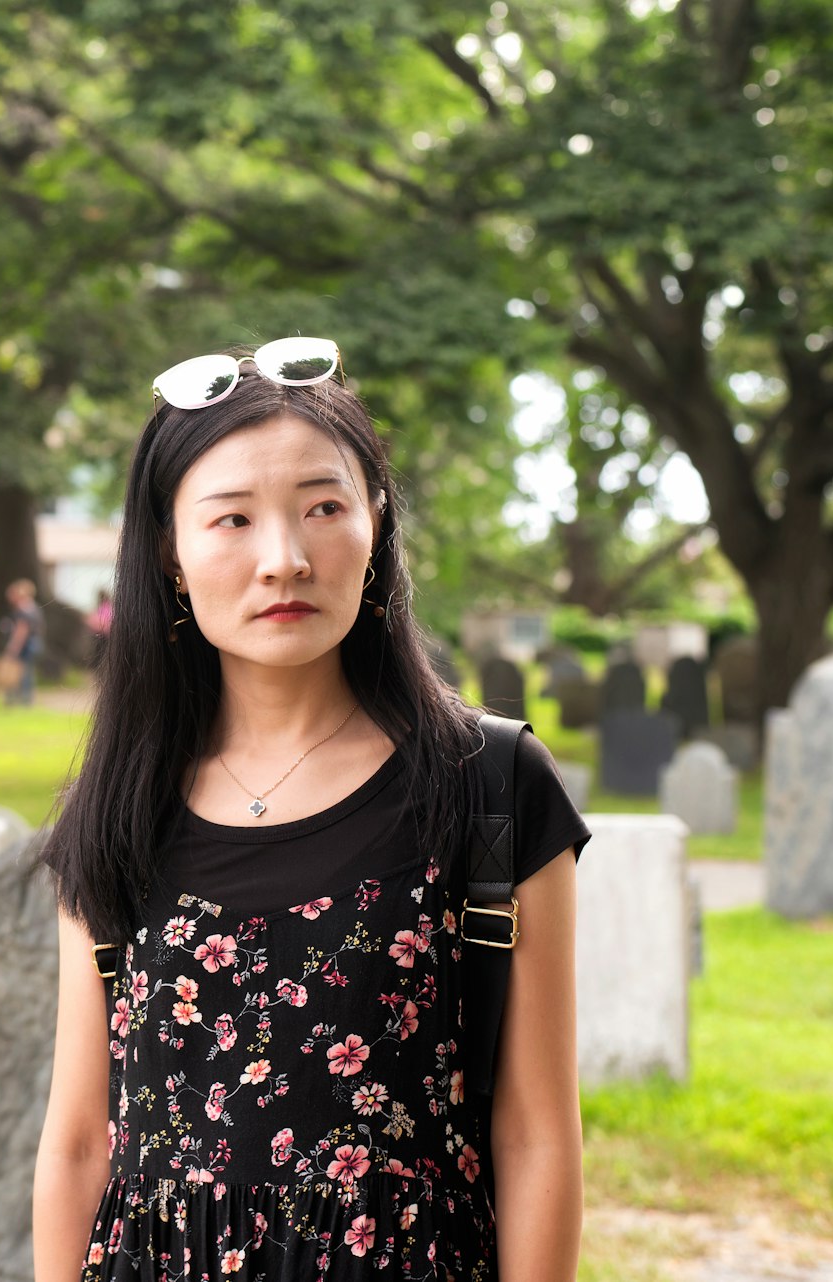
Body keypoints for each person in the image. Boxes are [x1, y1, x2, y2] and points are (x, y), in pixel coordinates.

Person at [32, 340, 587, 1281]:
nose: (283, 559)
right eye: (232, 520)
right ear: (169, 553)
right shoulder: (116, 808)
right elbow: (85, 1139)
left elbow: (537, 1134)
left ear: (376, 524)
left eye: (322, 508)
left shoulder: (490, 783)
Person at [2, 578, 44, 707]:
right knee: (28, 671)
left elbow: (22, 630)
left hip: (25, 646)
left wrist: (14, 646)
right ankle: (26, 698)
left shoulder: (23, 609)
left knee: (21, 672)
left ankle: (21, 698)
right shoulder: (34, 608)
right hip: (34, 644)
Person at [87, 588, 114, 671]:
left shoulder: (105, 607)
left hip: (103, 636)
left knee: (100, 655)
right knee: (102, 656)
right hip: (104, 636)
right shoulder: (107, 607)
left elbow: (105, 622)